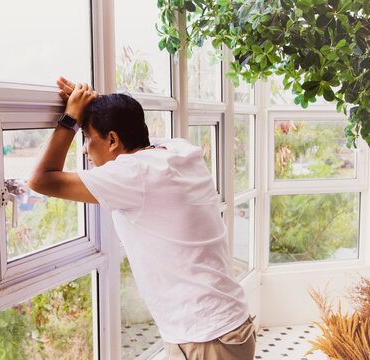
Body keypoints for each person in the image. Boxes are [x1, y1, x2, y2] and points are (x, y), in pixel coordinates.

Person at [29, 77, 256, 360]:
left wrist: (71, 117)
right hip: (226, 326)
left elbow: (41, 180)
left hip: (207, 338)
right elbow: (132, 131)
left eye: (87, 137)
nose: (85, 149)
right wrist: (97, 107)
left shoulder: (134, 174)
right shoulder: (179, 150)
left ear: (112, 139)